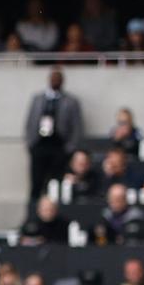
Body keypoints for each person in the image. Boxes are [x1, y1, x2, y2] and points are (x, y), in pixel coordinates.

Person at [23, 68, 82, 201]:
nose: (55, 81)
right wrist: (30, 143)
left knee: (56, 182)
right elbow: (30, 121)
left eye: (58, 79)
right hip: (40, 144)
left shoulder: (71, 101)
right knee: (36, 182)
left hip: (59, 146)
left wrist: (70, 148)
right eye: (53, 78)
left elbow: (77, 126)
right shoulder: (38, 99)